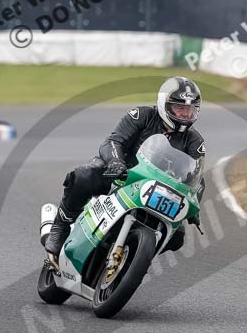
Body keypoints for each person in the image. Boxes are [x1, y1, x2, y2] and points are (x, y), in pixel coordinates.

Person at [45, 76, 206, 262]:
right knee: (84, 174)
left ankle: (134, 257)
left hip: (156, 190)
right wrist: (115, 162)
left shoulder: (195, 142)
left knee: (178, 237)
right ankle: (61, 225)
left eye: (190, 109)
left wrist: (194, 206)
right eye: (180, 108)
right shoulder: (141, 115)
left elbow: (196, 178)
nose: (185, 114)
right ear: (165, 105)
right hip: (121, 174)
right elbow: (114, 141)